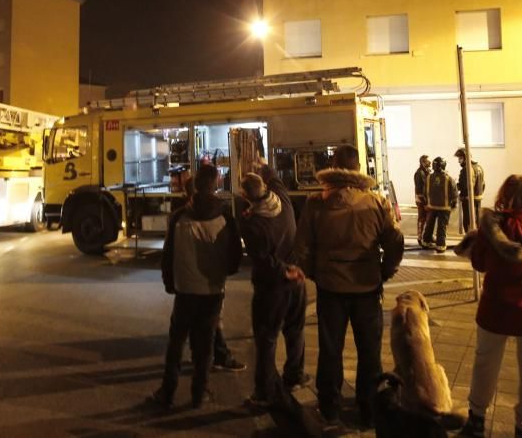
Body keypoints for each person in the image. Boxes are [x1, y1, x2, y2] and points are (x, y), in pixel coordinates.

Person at [288, 144, 404, 426]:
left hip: (330, 290)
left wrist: (316, 272)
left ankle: (330, 407)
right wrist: (384, 272)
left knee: (330, 350)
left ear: (334, 165)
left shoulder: (316, 203)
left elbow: (301, 247)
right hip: (367, 288)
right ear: (357, 167)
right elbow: (395, 242)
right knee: (369, 351)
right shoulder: (376, 203)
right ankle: (368, 409)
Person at [456, 175, 522, 438]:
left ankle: (477, 420)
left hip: (496, 307)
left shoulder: (491, 227)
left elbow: (479, 264)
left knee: (485, 364)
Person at [150, 164, 242, 409]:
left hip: (185, 290)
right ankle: (199, 394)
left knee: (176, 342)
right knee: (204, 346)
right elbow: (234, 260)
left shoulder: (179, 217)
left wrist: (170, 283)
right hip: (212, 291)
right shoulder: (225, 217)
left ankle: (167, 392)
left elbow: (167, 256)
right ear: (216, 184)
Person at [239, 169, 308, 408]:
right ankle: (295, 376)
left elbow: (262, 258)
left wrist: (282, 271)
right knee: (295, 330)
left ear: (245, 195)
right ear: (266, 188)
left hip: (272, 288)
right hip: (297, 281)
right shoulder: (283, 199)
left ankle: (264, 390)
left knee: (267, 338)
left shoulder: (252, 223)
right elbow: (275, 177)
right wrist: (263, 165)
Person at [424, 157, 457, 252]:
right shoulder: (449, 178)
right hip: (444, 207)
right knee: (442, 226)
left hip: (431, 206)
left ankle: (426, 241)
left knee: (429, 224)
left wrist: (427, 202)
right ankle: (440, 245)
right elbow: (454, 193)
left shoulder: (429, 177)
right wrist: (454, 204)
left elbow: (424, 192)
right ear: (443, 165)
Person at [455, 148, 485, 235]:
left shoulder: (467, 169)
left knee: (468, 222)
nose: (459, 161)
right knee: (477, 221)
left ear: (465, 157)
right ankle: (477, 241)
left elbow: (464, 186)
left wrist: (455, 185)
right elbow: (483, 184)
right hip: (478, 199)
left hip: (469, 200)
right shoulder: (479, 167)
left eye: (460, 158)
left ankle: (469, 242)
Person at [414, 155, 431, 248]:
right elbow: (420, 190)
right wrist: (425, 202)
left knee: (426, 219)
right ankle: (420, 238)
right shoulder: (419, 173)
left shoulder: (425, 172)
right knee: (422, 219)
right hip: (421, 200)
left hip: (424, 200)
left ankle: (425, 236)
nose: (430, 163)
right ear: (423, 162)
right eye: (428, 161)